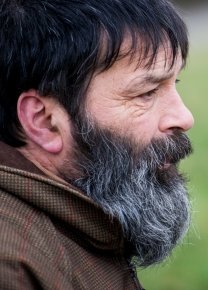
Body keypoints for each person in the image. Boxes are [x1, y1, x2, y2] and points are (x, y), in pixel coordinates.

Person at [0, 0, 195, 288]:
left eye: (174, 82)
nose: (184, 117)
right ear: (44, 121)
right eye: (146, 93)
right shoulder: (13, 270)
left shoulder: (85, 215)